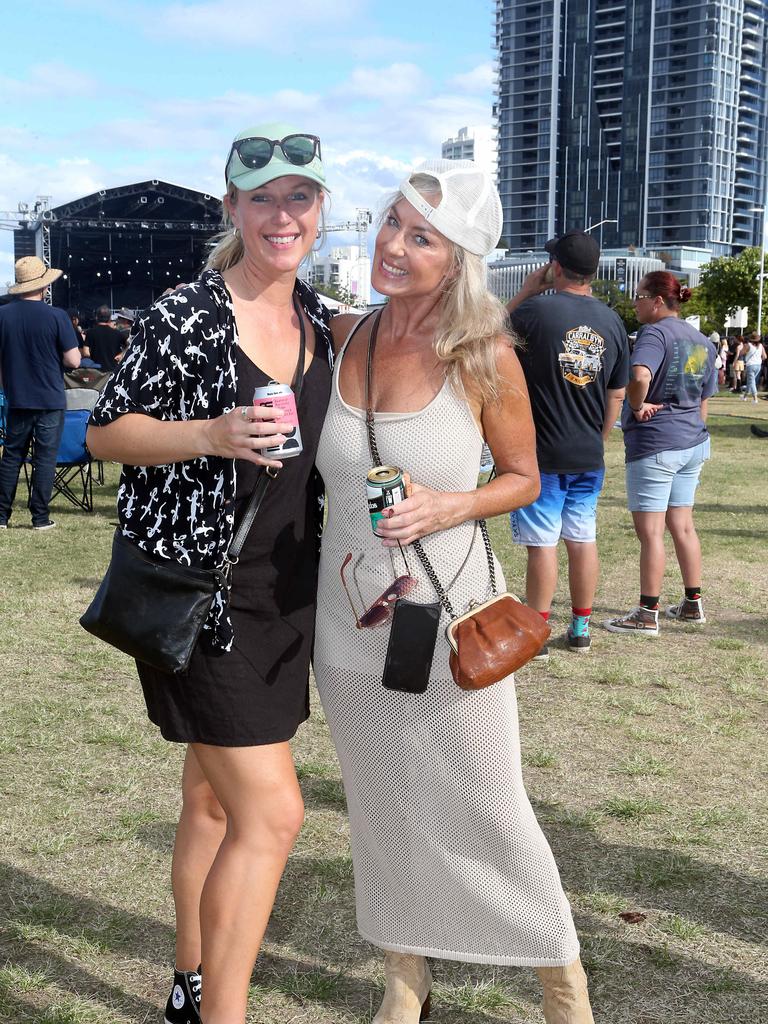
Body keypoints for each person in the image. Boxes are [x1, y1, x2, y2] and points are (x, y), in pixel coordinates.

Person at [313, 161, 595, 1024]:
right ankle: (407, 975)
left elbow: (522, 477)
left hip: (450, 619)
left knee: (489, 803)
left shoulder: (484, 355)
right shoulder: (343, 336)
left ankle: (561, 981)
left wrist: (450, 502)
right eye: (392, 222)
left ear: (456, 259)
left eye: (420, 236)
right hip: (348, 621)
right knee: (381, 803)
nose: (392, 245)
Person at [86, 122, 333, 1024]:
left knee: (213, 798)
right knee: (272, 817)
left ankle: (190, 982)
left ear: (320, 212)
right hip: (204, 600)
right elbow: (108, 431)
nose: (281, 214)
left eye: (298, 198)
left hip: (284, 597)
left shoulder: (316, 324)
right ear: (232, 207)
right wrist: (209, 433)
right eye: (261, 198)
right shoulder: (188, 313)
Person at [505, 230, 629, 657]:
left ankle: (536, 633)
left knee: (543, 545)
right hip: (587, 453)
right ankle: (579, 627)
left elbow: (483, 341)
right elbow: (617, 391)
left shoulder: (534, 312)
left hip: (543, 453)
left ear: (554, 267)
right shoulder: (612, 320)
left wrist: (523, 293)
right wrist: (600, 435)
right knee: (582, 539)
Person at [604, 272, 717, 636]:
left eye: (638, 296)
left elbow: (638, 376)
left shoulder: (654, 333)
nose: (634, 303)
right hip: (692, 442)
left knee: (650, 532)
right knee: (682, 525)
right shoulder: (701, 339)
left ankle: (646, 613)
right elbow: (704, 399)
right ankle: (691, 603)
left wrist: (636, 407)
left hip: (657, 443)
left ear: (656, 301)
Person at [0, 256, 81, 530]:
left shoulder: (3, 315)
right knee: (45, 459)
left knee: (12, 456)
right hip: (49, 397)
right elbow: (74, 361)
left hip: (18, 397)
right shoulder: (57, 316)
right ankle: (40, 518)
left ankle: (1, 516)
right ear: (44, 286)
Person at [83, 304, 124, 371]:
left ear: (96, 317)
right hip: (112, 371)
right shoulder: (117, 333)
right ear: (110, 318)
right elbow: (130, 344)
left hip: (97, 372)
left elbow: (85, 353)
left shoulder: (90, 333)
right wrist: (122, 354)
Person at [742, 332, 765, 404]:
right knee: (751, 381)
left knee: (752, 381)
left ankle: (755, 398)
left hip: (750, 365)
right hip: (758, 365)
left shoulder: (748, 345)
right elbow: (764, 356)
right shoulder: (761, 345)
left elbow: (741, 353)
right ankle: (745, 396)